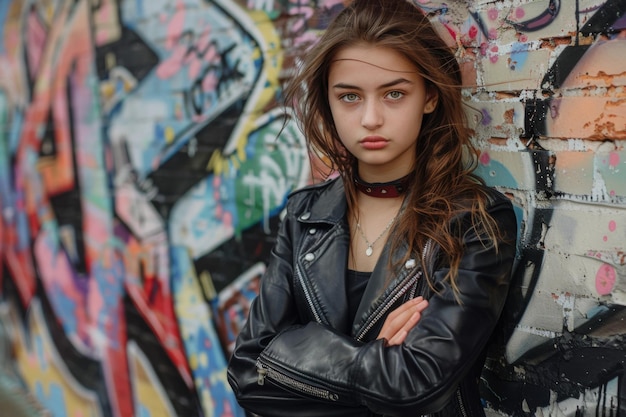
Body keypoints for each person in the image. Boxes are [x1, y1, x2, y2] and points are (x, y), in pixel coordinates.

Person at [227, 0, 518, 416]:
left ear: (430, 96)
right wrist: (373, 359)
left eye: (394, 93)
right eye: (349, 97)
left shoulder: (473, 221)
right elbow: (246, 371)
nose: (370, 118)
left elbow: (418, 386)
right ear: (328, 102)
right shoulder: (304, 215)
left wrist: (301, 364)